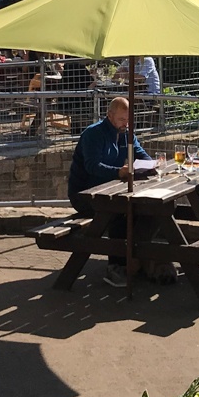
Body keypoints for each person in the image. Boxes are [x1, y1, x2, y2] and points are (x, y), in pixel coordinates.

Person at [67, 97, 151, 288]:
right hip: (84, 194)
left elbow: (140, 154)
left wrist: (152, 164)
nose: (126, 124)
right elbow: (91, 166)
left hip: (112, 191)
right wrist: (117, 172)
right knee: (119, 214)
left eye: (129, 120)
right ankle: (116, 266)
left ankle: (139, 259)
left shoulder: (126, 133)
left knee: (143, 211)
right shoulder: (93, 134)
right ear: (110, 115)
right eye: (122, 119)